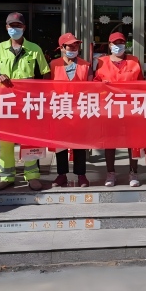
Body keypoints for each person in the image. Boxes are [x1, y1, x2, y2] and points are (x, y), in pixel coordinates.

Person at [0, 13, 50, 192]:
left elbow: (45, 72)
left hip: (28, 102)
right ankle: (6, 177)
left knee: (29, 139)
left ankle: (32, 176)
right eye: (11, 25)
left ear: (24, 28)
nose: (14, 29)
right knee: (5, 140)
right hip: (5, 102)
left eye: (18, 25)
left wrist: (41, 95)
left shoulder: (34, 48)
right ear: (6, 27)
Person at [94, 32, 144, 187]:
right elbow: (94, 83)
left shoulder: (134, 61)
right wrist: (102, 85)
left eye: (121, 43)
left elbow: (141, 83)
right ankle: (110, 173)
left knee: (132, 141)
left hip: (130, 107)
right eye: (115, 43)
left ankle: (133, 172)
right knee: (110, 141)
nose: (118, 46)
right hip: (109, 107)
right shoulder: (101, 62)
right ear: (109, 45)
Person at [50, 33, 92, 188]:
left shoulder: (85, 65)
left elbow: (91, 87)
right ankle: (61, 175)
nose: (74, 48)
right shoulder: (53, 65)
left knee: (79, 144)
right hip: (60, 108)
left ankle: (81, 175)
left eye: (76, 46)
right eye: (70, 46)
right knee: (61, 143)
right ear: (62, 48)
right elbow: (46, 86)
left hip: (79, 109)